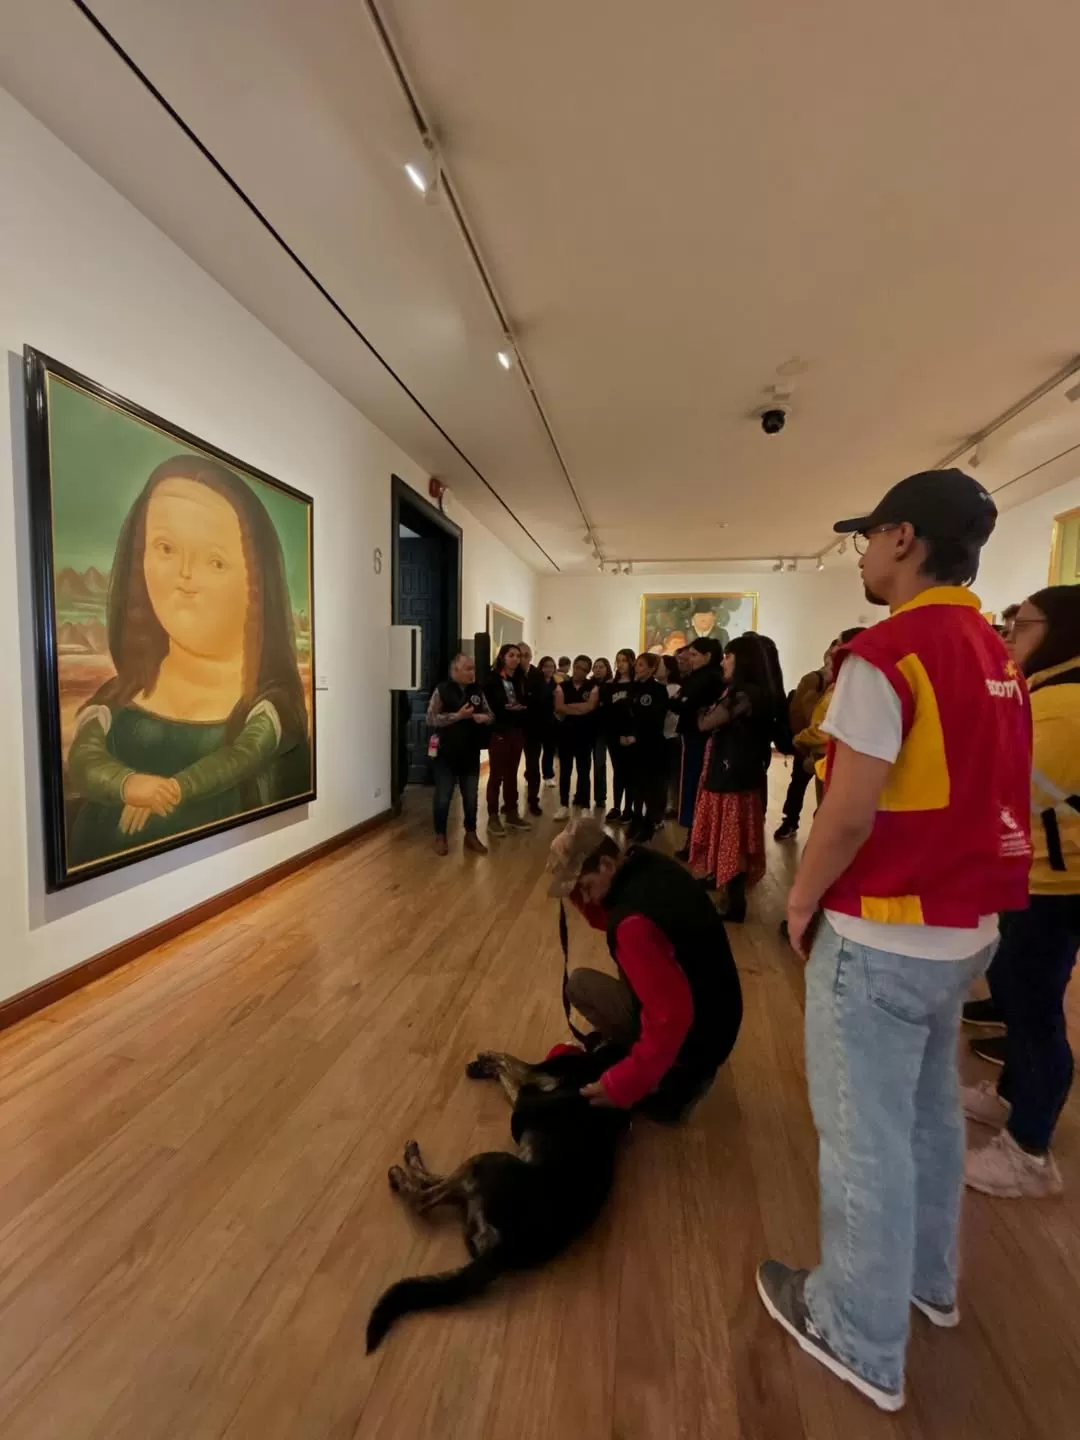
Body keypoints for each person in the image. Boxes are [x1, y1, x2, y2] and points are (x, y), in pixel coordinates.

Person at [757, 469, 1032, 1413]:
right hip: (968, 927)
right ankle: (929, 1282)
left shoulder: (890, 651)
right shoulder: (997, 655)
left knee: (862, 1134)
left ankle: (859, 1332)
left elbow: (845, 810)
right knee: (925, 1116)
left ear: (905, 538)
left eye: (868, 538)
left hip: (885, 926)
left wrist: (800, 899)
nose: (864, 555)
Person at [67, 455, 311, 864]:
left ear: (255, 584)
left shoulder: (270, 710)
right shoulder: (117, 698)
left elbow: (240, 758)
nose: (184, 575)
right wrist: (126, 784)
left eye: (214, 561)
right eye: (165, 547)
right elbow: (84, 760)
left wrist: (173, 789)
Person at [962, 585, 1080, 1197]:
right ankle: (1013, 1099)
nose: (1009, 635)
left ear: (1057, 631)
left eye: (1020, 624)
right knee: (1019, 994)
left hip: (1058, 883)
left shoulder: (1060, 705)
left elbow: (1009, 792)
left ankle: (1029, 1151)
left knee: (1033, 1011)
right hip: (1044, 875)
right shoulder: (1047, 695)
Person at [548, 818, 742, 1122]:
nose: (585, 899)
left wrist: (622, 1084)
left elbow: (673, 1017)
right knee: (632, 967)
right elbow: (604, 915)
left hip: (697, 1041)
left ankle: (676, 1076)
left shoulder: (632, 925)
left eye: (585, 887)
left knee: (580, 986)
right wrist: (572, 884)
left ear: (608, 864)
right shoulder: (645, 864)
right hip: (719, 1018)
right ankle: (674, 1065)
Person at [689, 635, 772, 920]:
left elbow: (706, 722)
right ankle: (723, 885)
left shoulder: (744, 694)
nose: (723, 661)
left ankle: (735, 903)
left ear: (742, 660)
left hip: (734, 775)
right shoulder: (741, 691)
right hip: (730, 769)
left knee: (732, 837)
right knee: (726, 834)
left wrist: (701, 709)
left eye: (728, 656)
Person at [416, 654, 492, 856]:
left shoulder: (477, 690)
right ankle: (440, 835)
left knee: (471, 797)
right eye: (467, 668)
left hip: (470, 752)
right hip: (445, 753)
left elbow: (491, 715)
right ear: (455, 671)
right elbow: (431, 718)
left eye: (473, 668)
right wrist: (459, 716)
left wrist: (482, 717)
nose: (472, 672)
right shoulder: (442, 689)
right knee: (443, 796)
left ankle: (471, 834)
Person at [670, 637, 725, 858]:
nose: (689, 659)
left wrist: (679, 702)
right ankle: (695, 839)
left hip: (698, 738)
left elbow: (686, 704)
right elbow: (680, 702)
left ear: (707, 656)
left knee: (694, 786)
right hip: (693, 736)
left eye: (694, 655)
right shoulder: (698, 677)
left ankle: (696, 840)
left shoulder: (709, 678)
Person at [774, 646, 831, 841]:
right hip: (811, 744)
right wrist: (801, 741)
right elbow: (798, 712)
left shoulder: (840, 684)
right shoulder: (814, 680)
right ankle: (791, 821)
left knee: (821, 792)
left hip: (820, 745)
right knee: (800, 782)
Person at [483, 643, 531, 837]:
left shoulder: (520, 678)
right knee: (496, 775)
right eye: (511, 655)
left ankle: (511, 811)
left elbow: (526, 699)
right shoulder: (492, 679)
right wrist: (503, 709)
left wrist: (522, 707)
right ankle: (493, 816)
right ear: (502, 657)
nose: (516, 659)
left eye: (518, 656)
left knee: (512, 774)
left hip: (517, 731)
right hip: (500, 731)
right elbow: (488, 703)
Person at [624, 652, 669, 842]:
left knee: (650, 785)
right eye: (637, 664)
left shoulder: (659, 690)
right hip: (632, 744)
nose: (637, 668)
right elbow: (627, 713)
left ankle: (649, 823)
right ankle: (636, 818)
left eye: (642, 665)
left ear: (651, 669)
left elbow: (656, 718)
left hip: (650, 744)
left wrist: (637, 736)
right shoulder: (632, 687)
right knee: (635, 785)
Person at [553, 655, 598, 820]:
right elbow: (559, 707)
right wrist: (580, 708)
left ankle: (585, 805)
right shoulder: (562, 686)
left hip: (585, 735)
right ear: (573, 666)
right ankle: (563, 805)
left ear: (588, 671)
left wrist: (569, 707)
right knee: (565, 771)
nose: (580, 671)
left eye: (584, 669)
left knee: (584, 771)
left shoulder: (592, 686)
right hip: (565, 734)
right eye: (578, 667)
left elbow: (590, 706)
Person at [594, 652, 635, 824]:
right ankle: (617, 806)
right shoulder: (610, 686)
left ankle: (628, 808)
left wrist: (632, 734)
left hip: (631, 735)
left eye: (624, 661)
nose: (621, 664)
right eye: (618, 661)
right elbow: (605, 710)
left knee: (630, 772)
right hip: (614, 734)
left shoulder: (637, 685)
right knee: (618, 771)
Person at [519, 643, 550, 818]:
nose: (521, 659)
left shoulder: (537, 675)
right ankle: (511, 803)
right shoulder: (512, 674)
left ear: (530, 657)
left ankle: (533, 800)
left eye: (525, 655)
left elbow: (542, 701)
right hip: (515, 727)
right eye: (518, 655)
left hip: (534, 728)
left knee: (532, 765)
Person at [589, 658, 615, 813]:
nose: (598, 670)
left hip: (609, 730)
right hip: (594, 730)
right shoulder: (589, 685)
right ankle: (599, 798)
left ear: (607, 668)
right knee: (598, 764)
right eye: (595, 667)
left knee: (604, 763)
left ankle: (607, 799)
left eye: (601, 667)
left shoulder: (612, 685)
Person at [662, 655, 682, 816]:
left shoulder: (674, 688)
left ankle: (671, 804)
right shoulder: (658, 688)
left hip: (672, 734)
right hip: (662, 735)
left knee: (672, 772)